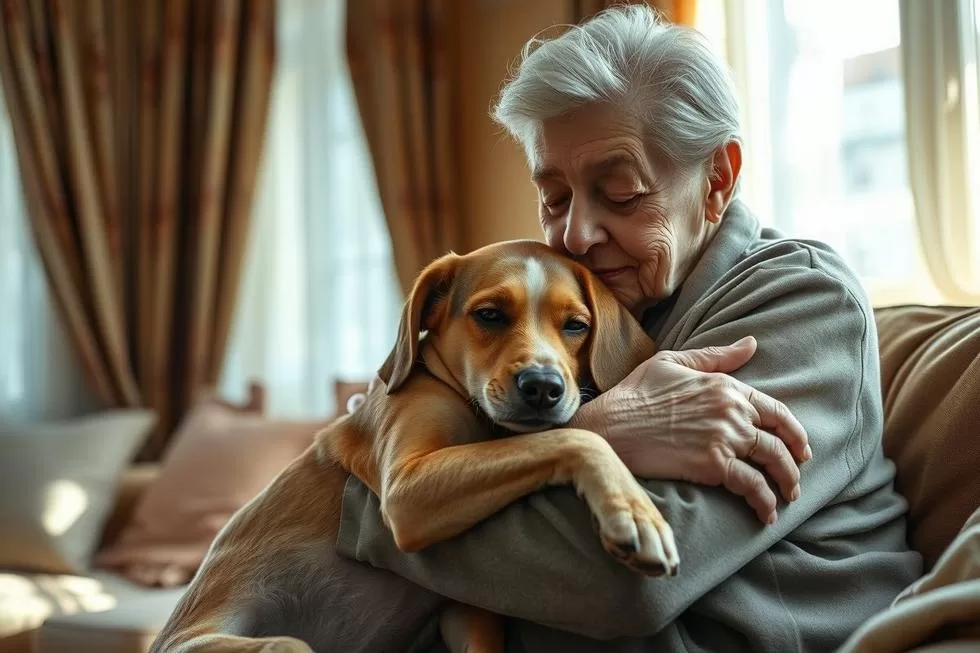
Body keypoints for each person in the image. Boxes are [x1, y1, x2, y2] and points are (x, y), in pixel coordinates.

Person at [339, 5, 922, 652]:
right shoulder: (591, 319)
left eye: (620, 193)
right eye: (554, 197)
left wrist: (368, 495)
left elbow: (627, 579)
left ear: (717, 180)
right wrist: (596, 429)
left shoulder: (805, 302)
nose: (573, 236)